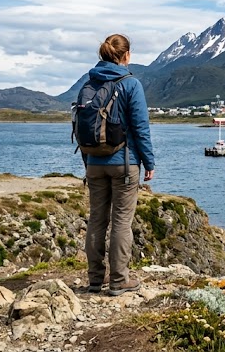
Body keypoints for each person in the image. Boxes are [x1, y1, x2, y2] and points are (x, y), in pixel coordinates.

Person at [83, 34, 156, 296]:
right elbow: (140, 128)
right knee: (121, 222)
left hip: (93, 162)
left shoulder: (90, 81)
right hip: (123, 163)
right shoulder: (131, 84)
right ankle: (118, 281)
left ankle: (94, 279)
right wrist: (149, 161)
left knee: (96, 220)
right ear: (126, 55)